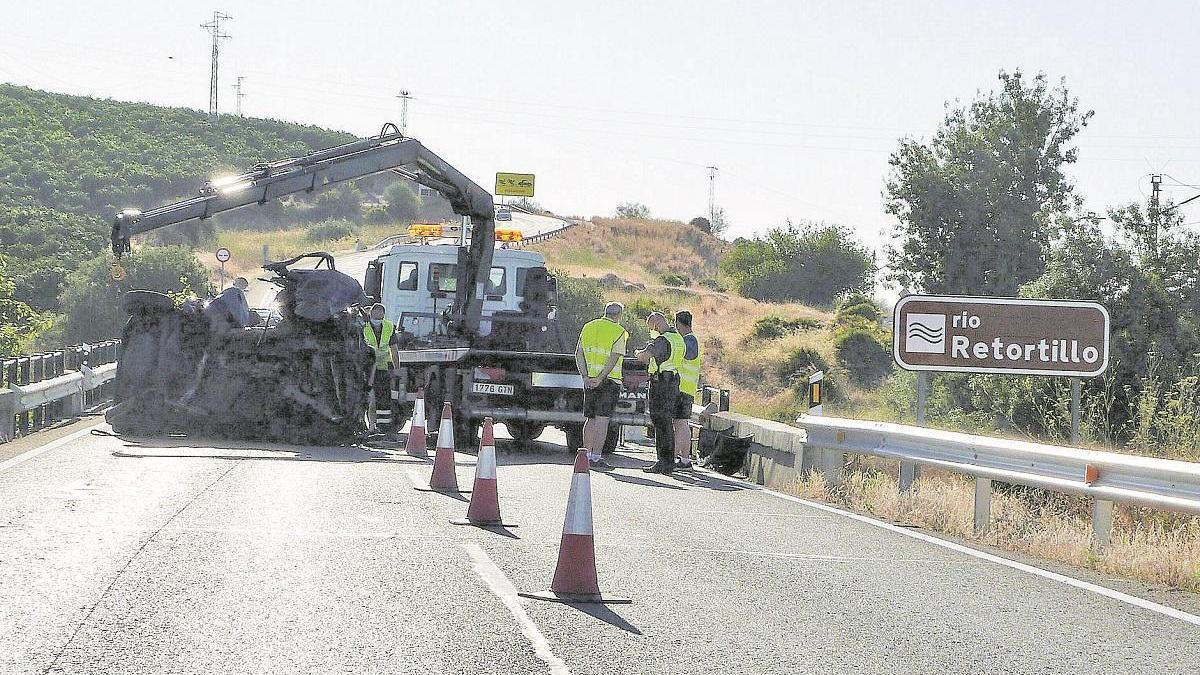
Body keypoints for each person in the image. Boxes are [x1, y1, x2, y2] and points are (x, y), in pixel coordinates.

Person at [575, 302, 627, 468]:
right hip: (609, 380)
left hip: (589, 379)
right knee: (602, 420)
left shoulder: (588, 327)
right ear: (619, 315)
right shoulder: (619, 331)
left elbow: (578, 353)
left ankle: (586, 455)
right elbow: (614, 357)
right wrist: (601, 377)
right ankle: (596, 457)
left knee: (590, 419)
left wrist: (585, 376)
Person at [635, 311, 685, 474]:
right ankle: (667, 461)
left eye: (652, 328)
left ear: (656, 324)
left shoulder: (662, 340)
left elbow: (645, 357)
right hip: (673, 383)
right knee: (666, 422)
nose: (652, 331)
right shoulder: (678, 338)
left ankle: (663, 461)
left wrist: (638, 353)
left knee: (660, 422)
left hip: (661, 384)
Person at [363, 303, 401, 434]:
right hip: (366, 367)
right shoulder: (364, 326)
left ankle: (382, 428)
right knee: (369, 398)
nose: (378, 318)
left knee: (383, 398)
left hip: (383, 368)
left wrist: (397, 369)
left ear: (383, 315)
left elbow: (394, 350)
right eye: (375, 315)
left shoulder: (389, 327)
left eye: (380, 316)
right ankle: (371, 426)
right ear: (371, 314)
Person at [673, 310, 701, 469]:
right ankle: (684, 459)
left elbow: (686, 356)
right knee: (682, 424)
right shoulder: (692, 339)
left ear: (678, 324)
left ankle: (674, 457)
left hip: (681, 388)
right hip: (687, 388)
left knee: (680, 424)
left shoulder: (688, 341)